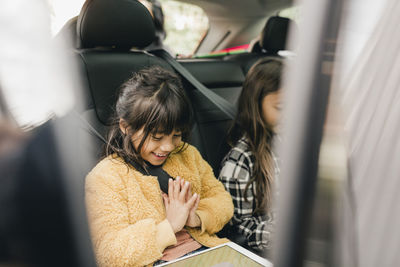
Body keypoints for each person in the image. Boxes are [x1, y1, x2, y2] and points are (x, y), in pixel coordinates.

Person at [85, 66, 233, 266]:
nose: (168, 146)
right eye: (156, 137)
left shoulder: (188, 155)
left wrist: (195, 218)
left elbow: (222, 201)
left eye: (177, 135)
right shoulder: (106, 177)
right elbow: (109, 253)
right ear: (125, 127)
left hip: (210, 253)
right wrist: (169, 226)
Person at [218, 58, 283, 253]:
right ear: (255, 105)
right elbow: (239, 232)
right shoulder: (239, 164)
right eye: (280, 108)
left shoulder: (287, 141)